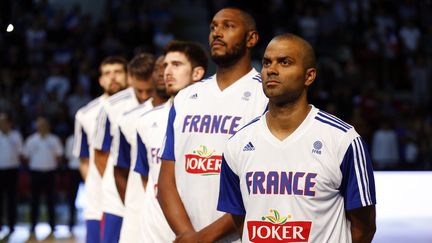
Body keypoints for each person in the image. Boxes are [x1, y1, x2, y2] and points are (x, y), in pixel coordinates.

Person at [217, 33, 377, 242]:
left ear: (309, 76)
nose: (271, 70)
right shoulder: (237, 143)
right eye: (267, 63)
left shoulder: (343, 140)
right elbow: (241, 221)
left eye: (285, 62)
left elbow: (364, 228)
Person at [158, 7, 268, 242]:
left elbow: (264, 188)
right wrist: (187, 234)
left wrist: (203, 238)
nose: (217, 33)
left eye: (228, 26)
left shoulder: (267, 98)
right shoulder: (186, 98)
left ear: (252, 38)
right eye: (213, 27)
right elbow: (166, 181)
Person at [134, 40, 208, 242]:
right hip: (153, 231)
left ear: (197, 73)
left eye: (176, 65)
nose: (166, 71)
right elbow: (147, 177)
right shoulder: (144, 121)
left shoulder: (213, 121)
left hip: (197, 228)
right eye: (165, 65)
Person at [93, 53, 155, 243]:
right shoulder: (111, 107)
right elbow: (100, 155)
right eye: (140, 91)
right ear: (131, 79)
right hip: (117, 198)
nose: (144, 96)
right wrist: (126, 192)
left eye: (148, 91)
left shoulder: (166, 103)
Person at [73, 56, 128, 243]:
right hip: (98, 201)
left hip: (134, 195)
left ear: (127, 76)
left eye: (118, 72)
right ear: (100, 80)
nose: (113, 78)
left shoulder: (141, 106)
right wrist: (99, 186)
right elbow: (84, 160)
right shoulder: (85, 113)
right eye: (107, 73)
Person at [115, 54, 169, 243]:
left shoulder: (193, 114)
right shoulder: (130, 119)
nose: (164, 73)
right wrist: (136, 206)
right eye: (159, 68)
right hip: (138, 212)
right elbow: (120, 170)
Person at [23, 117, 63, 236]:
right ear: (36, 127)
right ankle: (33, 225)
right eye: (39, 125)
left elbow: (59, 155)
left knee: (51, 201)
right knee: (34, 201)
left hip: (50, 173)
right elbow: (25, 156)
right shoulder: (31, 140)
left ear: (48, 126)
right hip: (35, 173)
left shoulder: (54, 140)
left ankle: (52, 225)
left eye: (44, 125)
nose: (42, 127)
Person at [0, 113, 22, 235]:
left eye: (3, 122)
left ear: (9, 123)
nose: (1, 124)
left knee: (11, 199)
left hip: (12, 170)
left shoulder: (16, 136)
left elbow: (20, 153)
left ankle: (12, 225)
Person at [65, 134, 82, 231]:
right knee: (72, 196)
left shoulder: (90, 135)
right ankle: (71, 221)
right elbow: (67, 156)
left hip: (89, 169)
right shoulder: (70, 139)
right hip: (73, 169)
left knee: (92, 196)